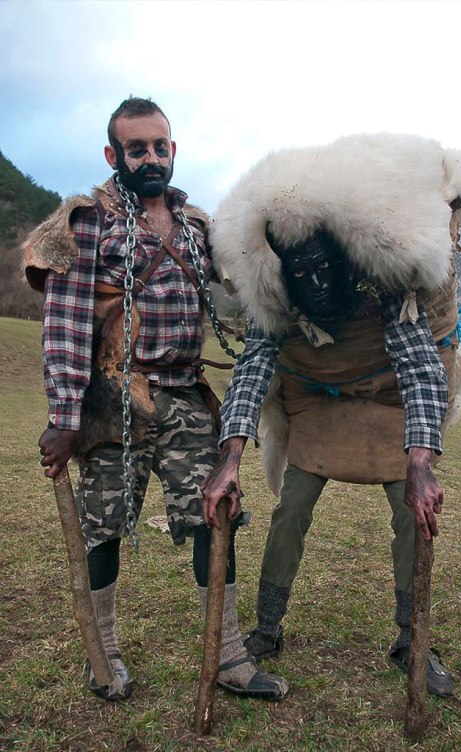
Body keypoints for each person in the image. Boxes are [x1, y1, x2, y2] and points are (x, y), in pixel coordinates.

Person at [23, 96, 288, 701]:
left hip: (187, 392)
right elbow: (64, 324)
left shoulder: (197, 225)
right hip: (114, 393)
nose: (151, 157)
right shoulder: (86, 222)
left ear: (173, 150)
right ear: (113, 154)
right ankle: (103, 652)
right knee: (103, 525)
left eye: (159, 146)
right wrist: (65, 416)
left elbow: (249, 278)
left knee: (217, 515)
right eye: (136, 148)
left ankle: (229, 656)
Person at [201, 133, 461, 698]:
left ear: (340, 255)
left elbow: (419, 368)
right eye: (298, 270)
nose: (313, 282)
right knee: (290, 510)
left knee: (413, 516)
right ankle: (267, 627)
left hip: (386, 408)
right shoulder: (276, 294)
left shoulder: (381, 278)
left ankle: (412, 639)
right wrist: (229, 457)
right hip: (319, 408)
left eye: (321, 266)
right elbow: (253, 370)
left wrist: (421, 463)